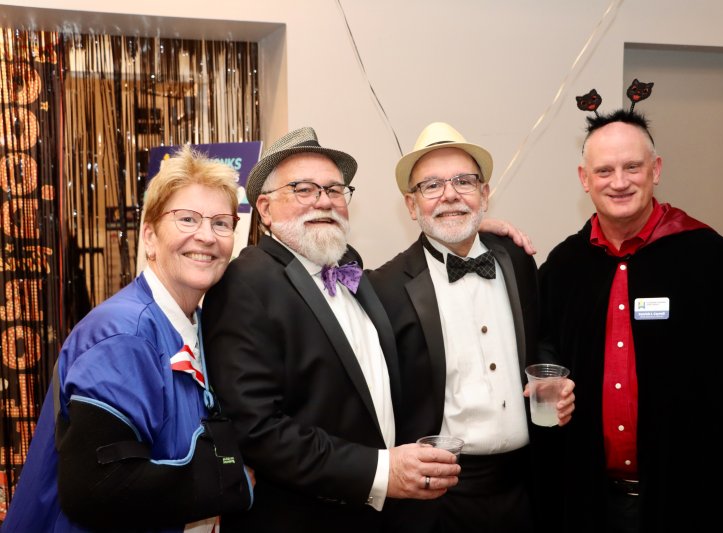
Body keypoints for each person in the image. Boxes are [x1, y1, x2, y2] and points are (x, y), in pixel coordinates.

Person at [200, 127, 462, 533]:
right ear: (265, 210)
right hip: (303, 518)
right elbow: (257, 429)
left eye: (335, 190)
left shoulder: (349, 266)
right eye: (303, 189)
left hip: (377, 515)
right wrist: (381, 472)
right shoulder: (245, 284)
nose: (324, 201)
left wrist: (474, 237)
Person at [534, 102, 723, 532]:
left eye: (632, 167)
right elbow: (545, 351)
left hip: (690, 502)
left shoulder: (712, 262)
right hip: (592, 502)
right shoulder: (563, 268)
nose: (619, 182)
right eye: (604, 171)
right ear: (585, 180)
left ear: (656, 170)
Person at [2, 145, 253, 533]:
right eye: (187, 219)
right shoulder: (125, 333)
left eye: (221, 223)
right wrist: (235, 480)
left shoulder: (194, 324)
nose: (207, 236)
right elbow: (97, 488)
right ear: (149, 237)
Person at [368, 122, 575, 533]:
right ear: (411, 206)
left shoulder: (517, 260)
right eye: (431, 186)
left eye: (464, 181)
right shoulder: (384, 287)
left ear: (485, 194)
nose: (450, 194)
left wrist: (553, 382)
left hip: (524, 487)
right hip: (437, 499)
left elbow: (542, 340)